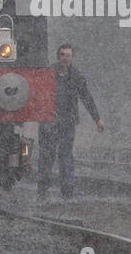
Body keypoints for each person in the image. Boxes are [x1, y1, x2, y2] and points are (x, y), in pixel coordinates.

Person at [37, 43, 105, 201]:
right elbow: (38, 95)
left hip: (67, 121)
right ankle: (42, 192)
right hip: (49, 121)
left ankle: (67, 194)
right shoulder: (48, 74)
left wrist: (97, 119)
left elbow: (86, 98)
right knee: (46, 157)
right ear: (57, 56)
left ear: (72, 58)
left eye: (68, 55)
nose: (65, 58)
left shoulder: (76, 76)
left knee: (66, 156)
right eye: (62, 54)